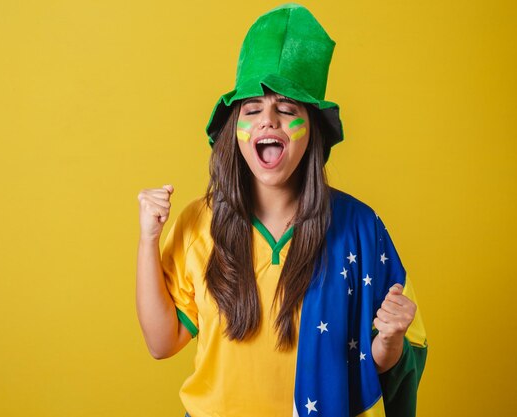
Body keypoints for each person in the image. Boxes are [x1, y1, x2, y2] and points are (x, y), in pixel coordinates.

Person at [136, 4, 427, 417]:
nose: (267, 121)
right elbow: (161, 343)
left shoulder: (360, 229)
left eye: (287, 110)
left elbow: (374, 368)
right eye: (252, 110)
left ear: (313, 131)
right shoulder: (199, 222)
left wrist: (389, 341)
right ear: (233, 129)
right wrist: (148, 238)